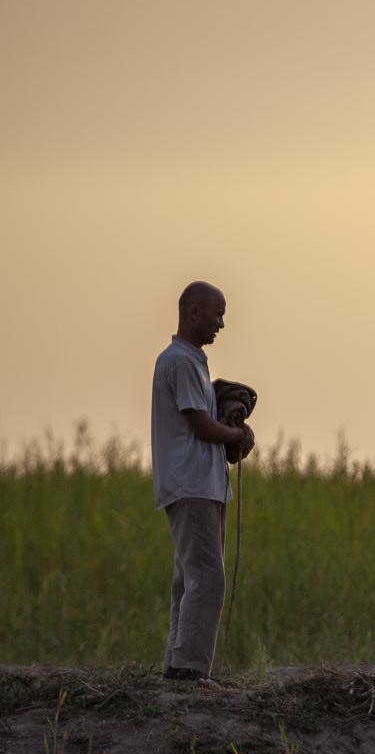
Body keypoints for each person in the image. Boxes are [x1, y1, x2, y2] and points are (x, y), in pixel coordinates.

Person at [151, 281, 255, 681]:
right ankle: (190, 671)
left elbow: (207, 423)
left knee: (188, 580)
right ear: (194, 312)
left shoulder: (191, 362)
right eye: (218, 313)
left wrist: (229, 425)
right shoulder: (178, 361)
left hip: (203, 485)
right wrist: (238, 435)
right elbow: (200, 426)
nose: (222, 323)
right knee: (208, 578)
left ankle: (177, 666)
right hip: (191, 485)